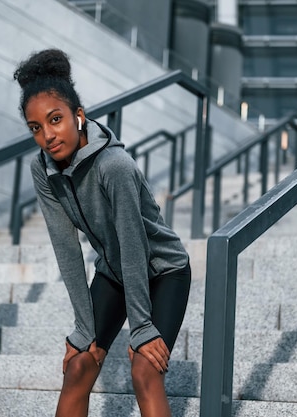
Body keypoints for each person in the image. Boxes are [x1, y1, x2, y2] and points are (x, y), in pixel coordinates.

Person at [13, 49, 191, 417]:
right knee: (78, 364)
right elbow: (67, 248)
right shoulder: (43, 169)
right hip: (113, 272)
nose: (47, 135)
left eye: (56, 120)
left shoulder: (115, 166)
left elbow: (133, 244)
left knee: (145, 368)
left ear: (79, 117)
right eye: (36, 128)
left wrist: (141, 325)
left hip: (163, 270)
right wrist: (83, 327)